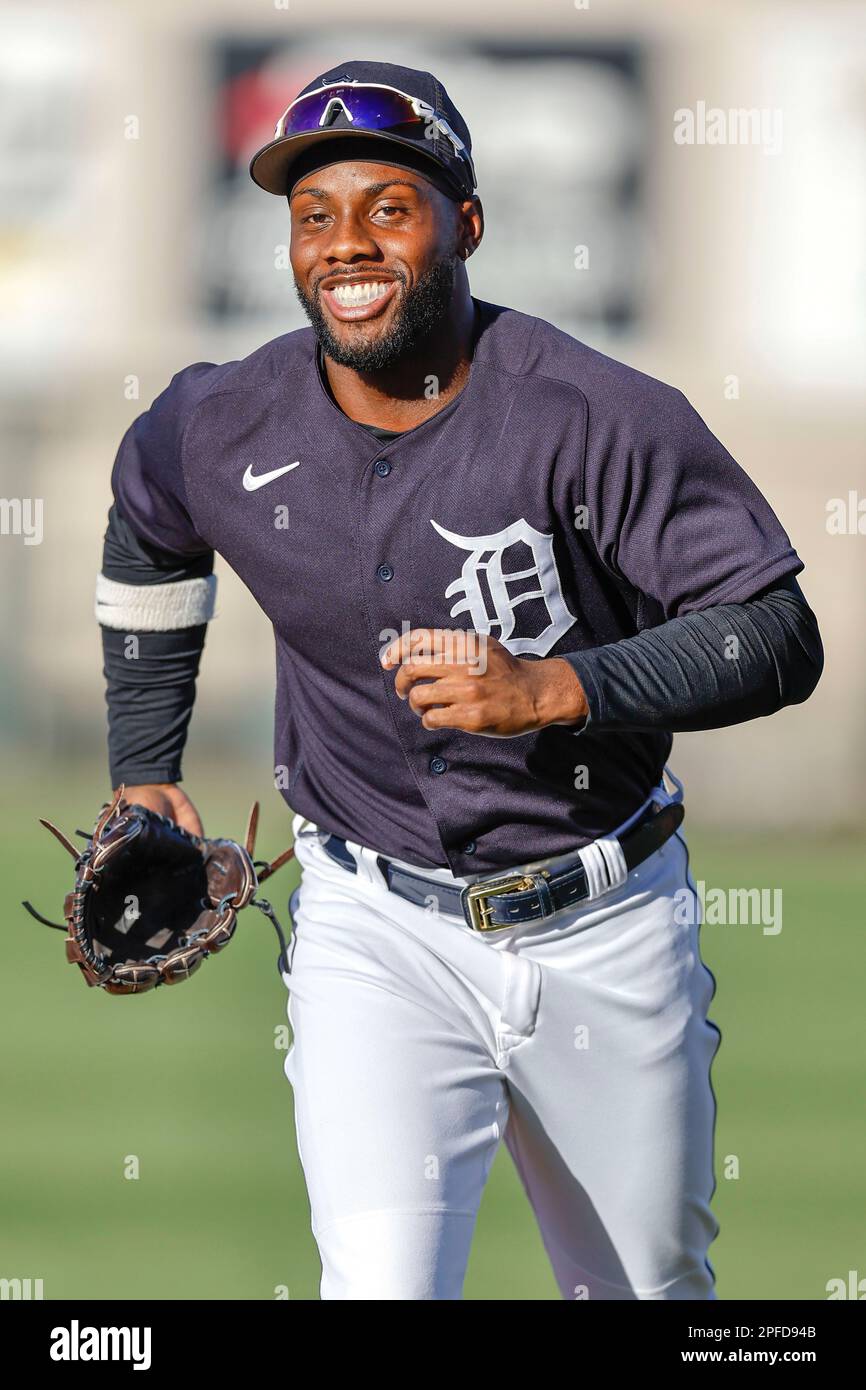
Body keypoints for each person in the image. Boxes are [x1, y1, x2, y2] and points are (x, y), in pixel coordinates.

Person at [97, 59, 824, 1299]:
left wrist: (557, 690)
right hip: (370, 924)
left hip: (600, 921)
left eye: (389, 208)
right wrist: (144, 761)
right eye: (313, 215)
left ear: (466, 226)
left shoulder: (596, 416)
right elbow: (147, 525)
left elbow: (773, 633)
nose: (345, 243)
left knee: (645, 1292)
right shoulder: (220, 422)